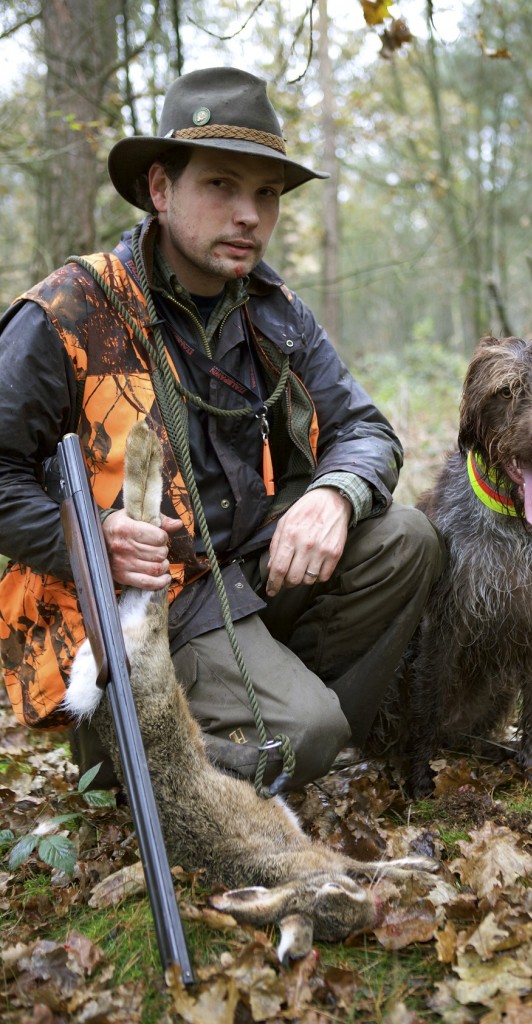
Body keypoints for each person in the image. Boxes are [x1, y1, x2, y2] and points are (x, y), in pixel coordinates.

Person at [0, 67, 444, 791]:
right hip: (140, 602)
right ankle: (123, 749)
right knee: (309, 733)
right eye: (220, 186)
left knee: (405, 539)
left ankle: (281, 728)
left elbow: (365, 429)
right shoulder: (70, 311)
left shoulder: (275, 311)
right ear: (160, 188)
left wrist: (333, 495)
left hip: (242, 572)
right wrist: (83, 537)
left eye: (265, 194)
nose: (249, 215)